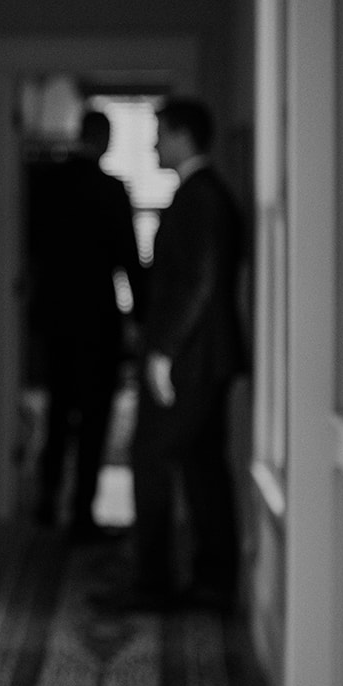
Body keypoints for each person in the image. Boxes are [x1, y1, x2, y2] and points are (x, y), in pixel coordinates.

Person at [127, 96, 247, 611]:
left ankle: (154, 584)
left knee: (149, 458)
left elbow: (196, 283)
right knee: (201, 466)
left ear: (183, 136)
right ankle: (211, 580)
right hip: (205, 358)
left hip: (190, 361)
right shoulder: (202, 192)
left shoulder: (201, 196)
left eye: (160, 131)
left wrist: (161, 354)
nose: (154, 142)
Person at [23, 110, 144, 537]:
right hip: (97, 317)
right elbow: (128, 258)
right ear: (104, 140)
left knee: (58, 412)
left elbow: (31, 246)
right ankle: (81, 515)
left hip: (54, 313)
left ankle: (45, 503)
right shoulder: (110, 190)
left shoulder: (47, 184)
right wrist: (143, 316)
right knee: (94, 418)